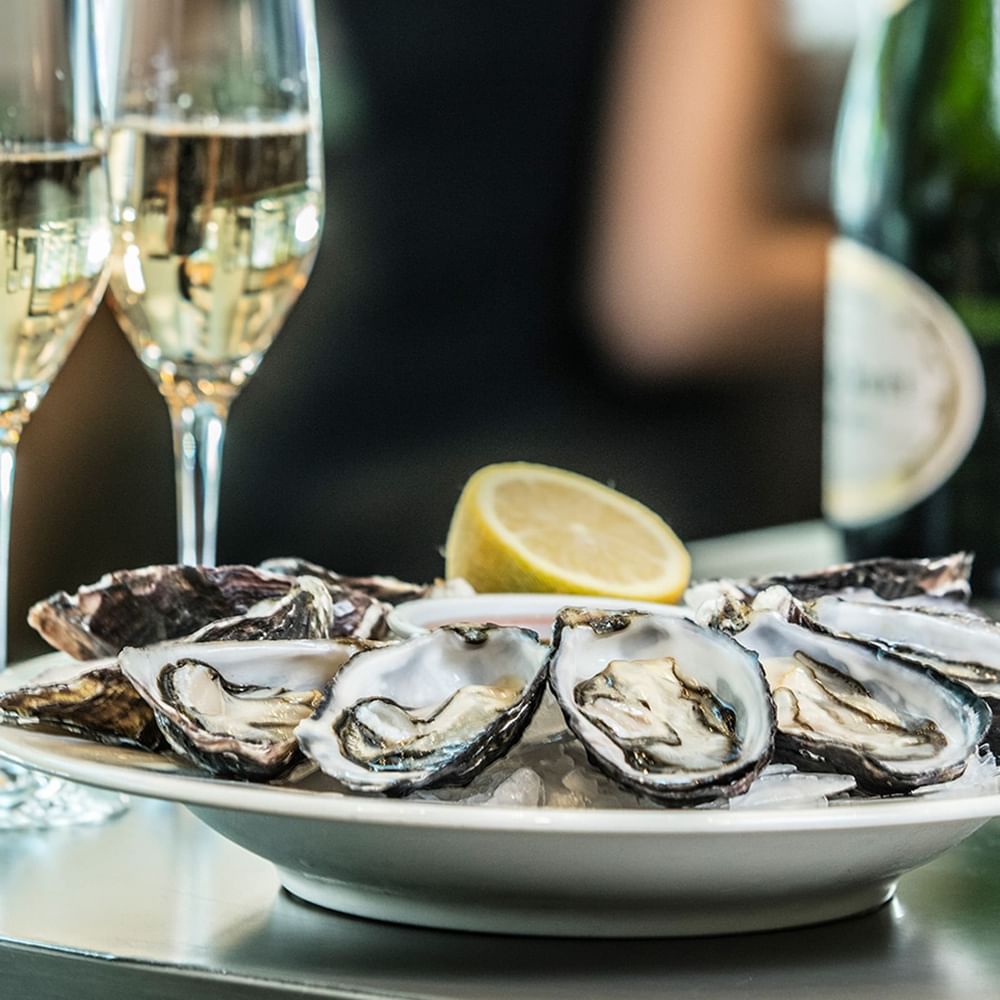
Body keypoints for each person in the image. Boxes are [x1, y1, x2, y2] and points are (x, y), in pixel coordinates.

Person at [9, 0, 855, 659]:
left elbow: (143, 87)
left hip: (303, 467)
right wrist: (933, 264)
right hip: (553, 508)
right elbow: (675, 301)